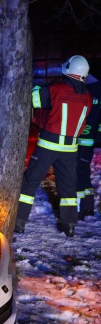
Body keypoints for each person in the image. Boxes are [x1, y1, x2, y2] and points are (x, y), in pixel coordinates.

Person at [15, 55, 93, 237]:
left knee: (30, 181)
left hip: (48, 144)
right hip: (70, 149)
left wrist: (40, 87)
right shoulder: (87, 96)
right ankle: (70, 225)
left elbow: (33, 100)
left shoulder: (56, 89)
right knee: (68, 188)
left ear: (69, 68)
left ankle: (19, 221)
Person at [76, 72, 101, 220]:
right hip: (85, 140)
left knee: (79, 173)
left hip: (86, 141)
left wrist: (98, 141)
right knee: (83, 172)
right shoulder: (90, 89)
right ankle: (87, 208)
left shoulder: (93, 90)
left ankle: (82, 209)